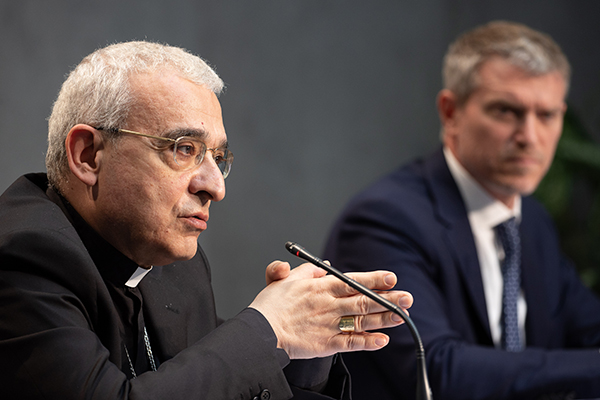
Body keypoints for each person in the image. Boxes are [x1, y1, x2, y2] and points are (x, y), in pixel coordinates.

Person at [0, 41, 414, 400]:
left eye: (218, 158)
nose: (215, 187)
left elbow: (210, 386)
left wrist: (304, 346)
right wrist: (270, 329)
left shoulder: (176, 269)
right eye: (183, 149)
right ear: (89, 155)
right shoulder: (21, 259)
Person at [323, 21, 600, 400]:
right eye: (506, 111)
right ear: (451, 112)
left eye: (547, 115)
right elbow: (437, 370)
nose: (530, 137)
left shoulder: (532, 221)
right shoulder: (383, 219)